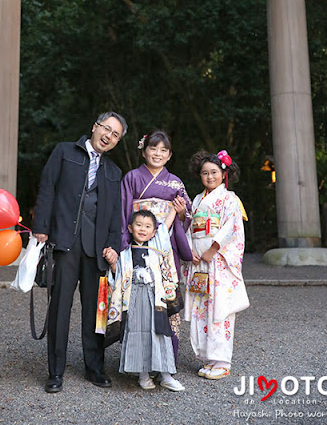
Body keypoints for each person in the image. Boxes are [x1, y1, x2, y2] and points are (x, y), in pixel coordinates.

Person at [32, 111, 127, 393]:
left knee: (96, 312)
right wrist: (41, 227)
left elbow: (114, 215)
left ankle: (95, 367)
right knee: (60, 307)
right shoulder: (64, 152)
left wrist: (113, 246)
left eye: (115, 135)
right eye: (106, 129)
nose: (108, 136)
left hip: (96, 250)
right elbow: (47, 188)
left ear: (117, 142)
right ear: (94, 126)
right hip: (64, 242)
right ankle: (55, 372)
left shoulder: (113, 172)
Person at [120, 130, 193, 363]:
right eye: (153, 148)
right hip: (137, 245)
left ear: (170, 155)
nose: (158, 154)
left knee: (167, 302)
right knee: (139, 303)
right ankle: (140, 362)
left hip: (165, 248)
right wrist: (123, 244)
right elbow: (123, 213)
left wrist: (181, 213)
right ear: (144, 151)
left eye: (163, 150)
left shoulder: (175, 182)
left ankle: (168, 361)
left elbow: (187, 215)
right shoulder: (132, 177)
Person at [183, 149, 249, 380]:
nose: (209, 177)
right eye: (204, 173)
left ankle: (222, 360)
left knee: (218, 309)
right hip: (199, 263)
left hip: (218, 261)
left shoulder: (229, 199)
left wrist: (212, 250)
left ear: (224, 173)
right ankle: (208, 358)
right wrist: (190, 250)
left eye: (214, 172)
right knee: (202, 309)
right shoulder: (197, 199)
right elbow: (191, 228)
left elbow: (232, 227)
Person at [106, 208, 184, 391]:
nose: (143, 229)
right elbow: (118, 275)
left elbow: (165, 228)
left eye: (148, 226)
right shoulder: (125, 252)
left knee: (161, 334)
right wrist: (112, 263)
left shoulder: (157, 248)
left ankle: (166, 375)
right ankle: (143, 374)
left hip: (155, 297)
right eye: (139, 225)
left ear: (154, 232)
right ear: (130, 228)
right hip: (134, 298)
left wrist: (173, 210)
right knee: (137, 333)